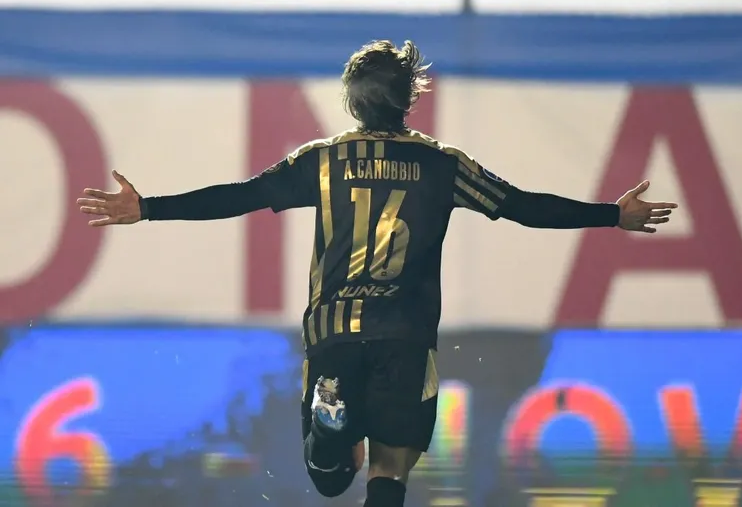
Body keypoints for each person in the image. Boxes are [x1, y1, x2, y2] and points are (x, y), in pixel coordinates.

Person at [77, 39, 677, 507]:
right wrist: (611, 215)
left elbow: (241, 196)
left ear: (351, 101)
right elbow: (521, 207)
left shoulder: (320, 161)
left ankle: (331, 423)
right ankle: (337, 426)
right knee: (393, 466)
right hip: (405, 335)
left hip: (333, 329)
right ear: (409, 98)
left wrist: (149, 207)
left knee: (332, 480)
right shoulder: (443, 165)